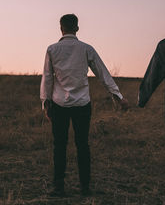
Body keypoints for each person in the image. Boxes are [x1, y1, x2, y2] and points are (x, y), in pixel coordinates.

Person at [40, 14, 128, 197]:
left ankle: (58, 187)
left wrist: (46, 103)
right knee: (82, 145)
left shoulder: (52, 49)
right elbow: (103, 73)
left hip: (59, 104)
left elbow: (47, 77)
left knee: (59, 145)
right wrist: (118, 96)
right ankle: (85, 188)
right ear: (77, 28)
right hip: (82, 104)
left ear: (61, 28)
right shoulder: (86, 49)